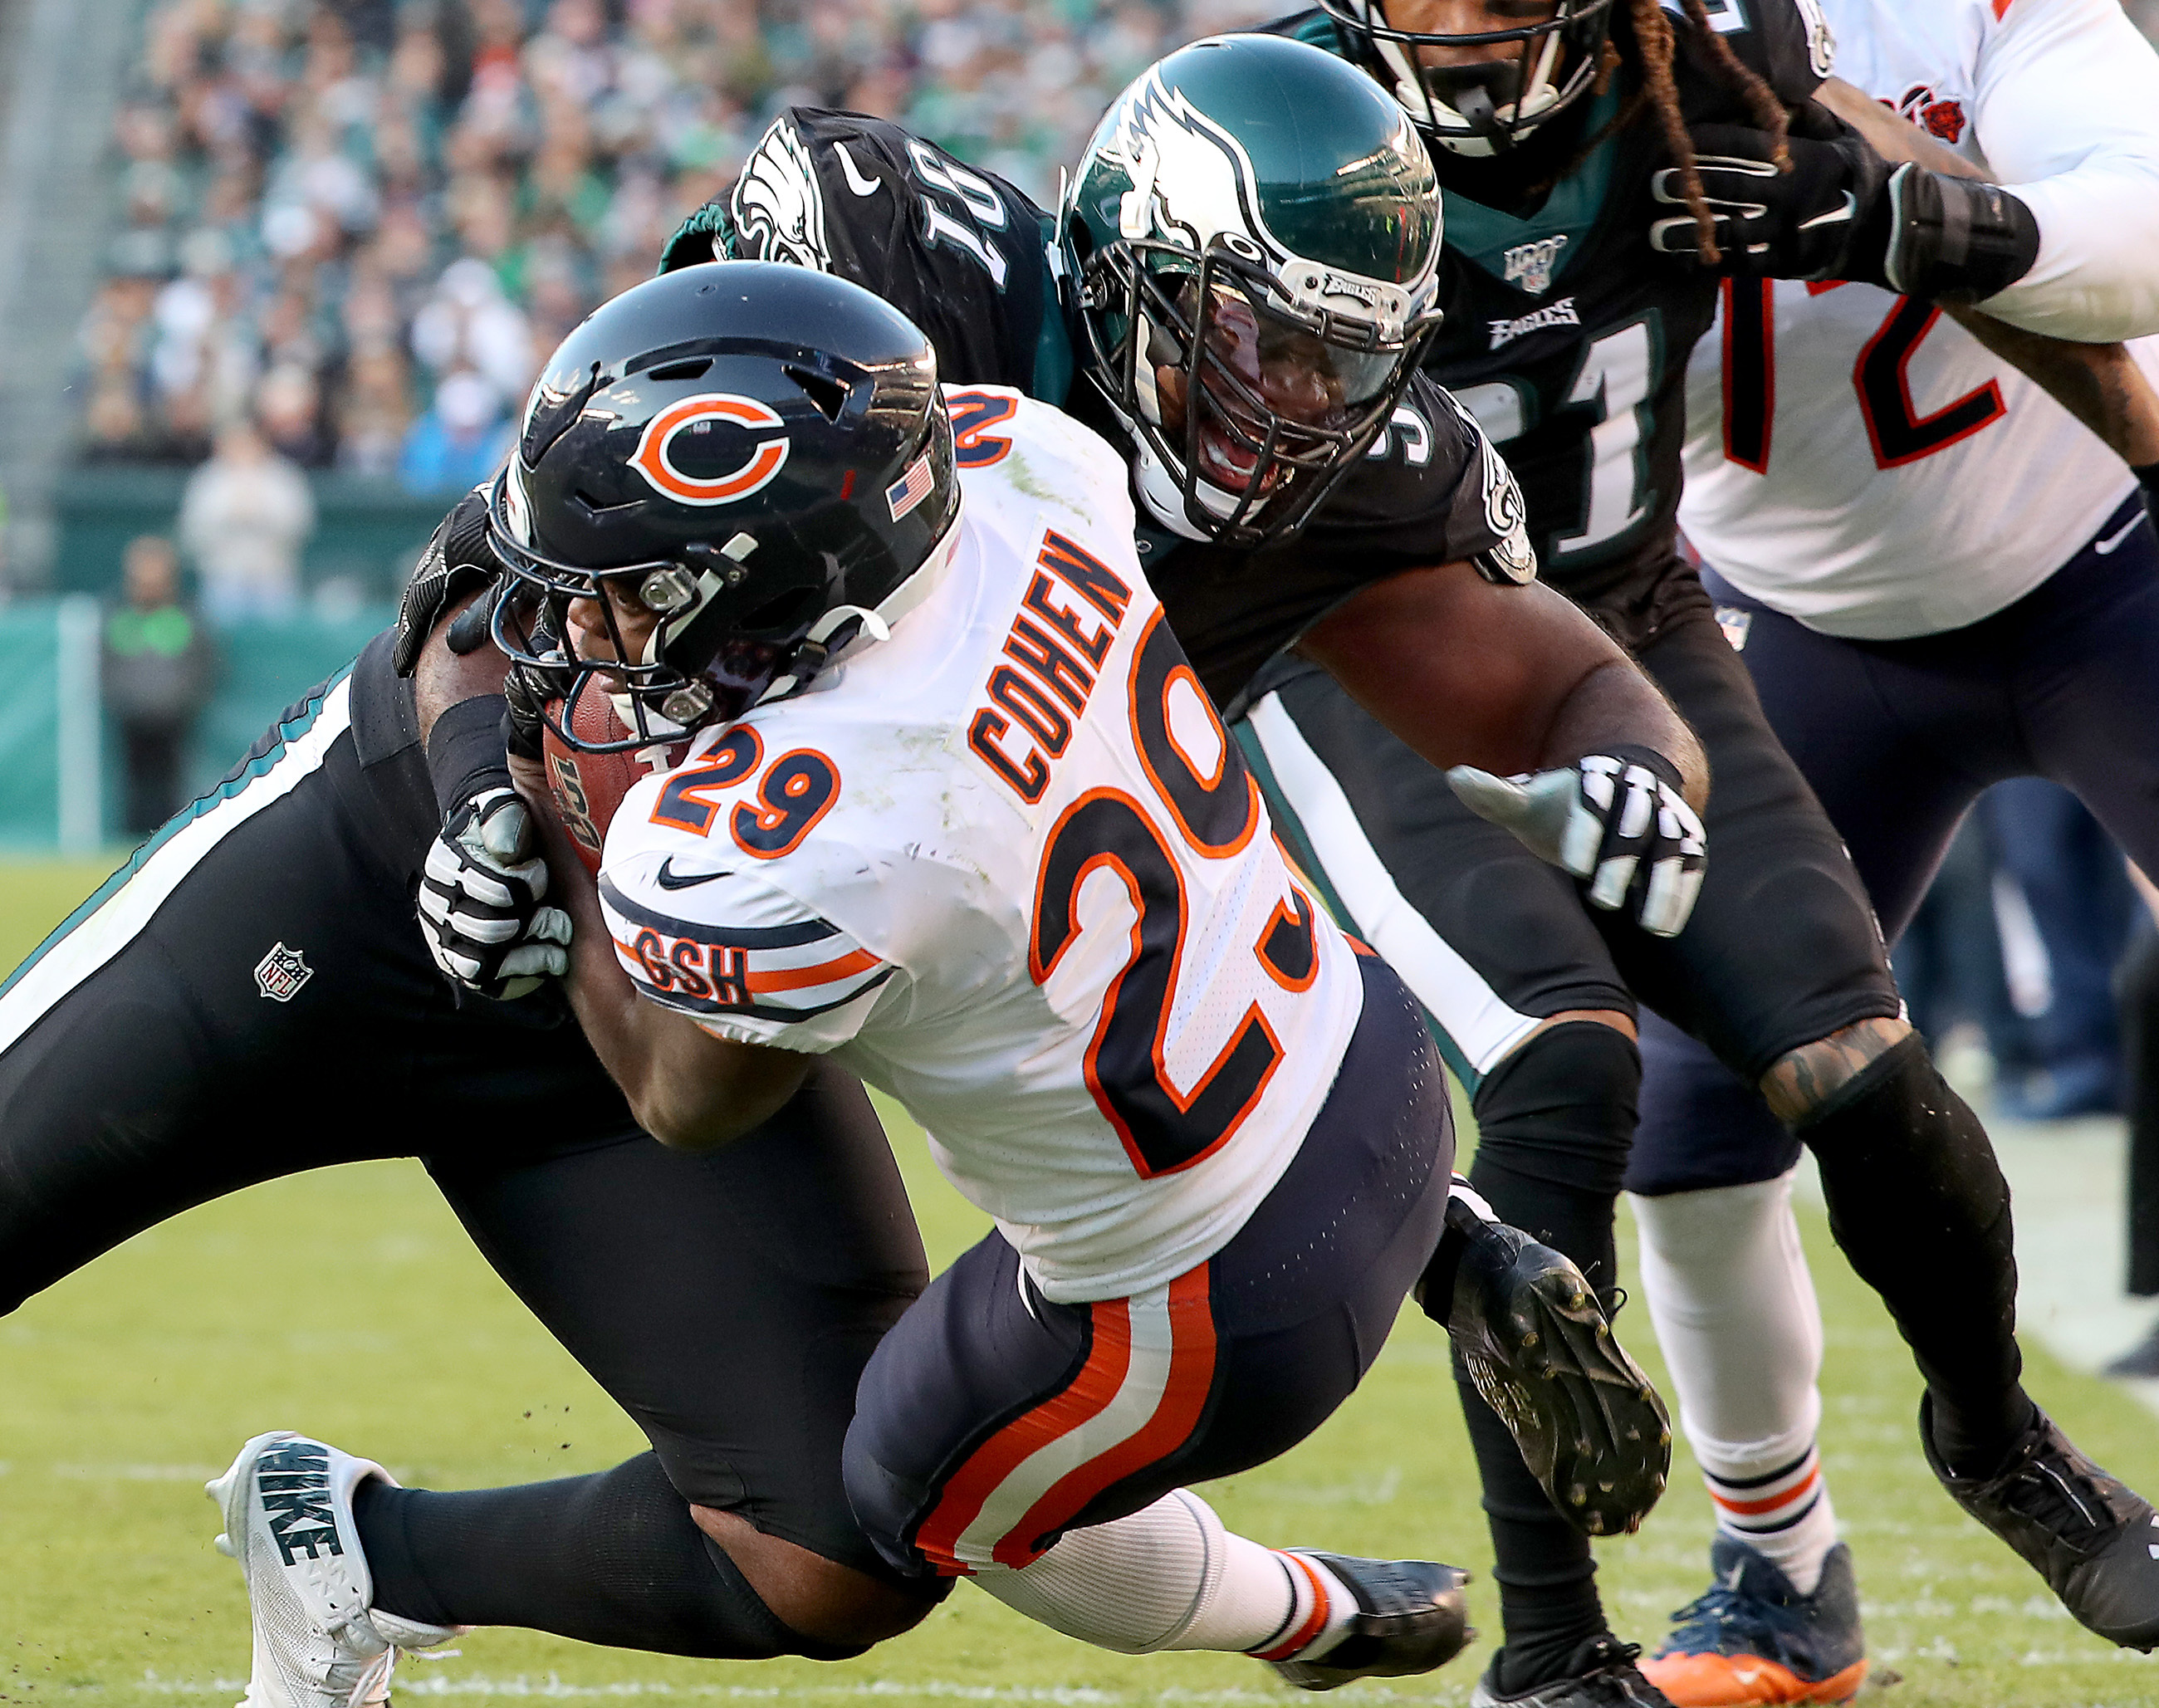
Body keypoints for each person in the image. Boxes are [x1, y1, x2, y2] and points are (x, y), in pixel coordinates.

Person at [1, 41, 1697, 1706]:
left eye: (1345, 365)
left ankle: (348, 1549)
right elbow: (508, 562)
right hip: (378, 871)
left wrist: (1438, 1214)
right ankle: (1298, 1607)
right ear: (1133, 277)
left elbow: (1176, 963)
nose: (1298, 412)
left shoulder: (1208, 502)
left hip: (680, 1001)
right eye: (1262, 346)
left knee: (833, 1546)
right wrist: (476, 793)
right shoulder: (922, 329)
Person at [453, 257, 1666, 1695]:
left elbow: (680, 1095)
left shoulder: (795, 825)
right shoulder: (1033, 469)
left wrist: (557, 837)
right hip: (1365, 1054)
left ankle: (1310, 1617)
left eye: (632, 595)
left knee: (909, 1496)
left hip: (1214, 1300)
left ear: (767, 588)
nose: (589, 632)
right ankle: (1457, 1237)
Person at [1577, 0, 2159, 1692]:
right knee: (1688, 1105)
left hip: (2108, 557)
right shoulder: (1547, 77)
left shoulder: (1969, 12)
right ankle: (1778, 1574)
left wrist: (1884, 196)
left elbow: (2133, 245)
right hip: (1787, 627)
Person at [101, 533, 217, 835]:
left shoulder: (187, 618)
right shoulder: (119, 618)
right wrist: (125, 701)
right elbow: (106, 668)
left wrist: (181, 701)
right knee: (134, 786)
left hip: (174, 720)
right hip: (131, 720)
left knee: (172, 785)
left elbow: (202, 667)